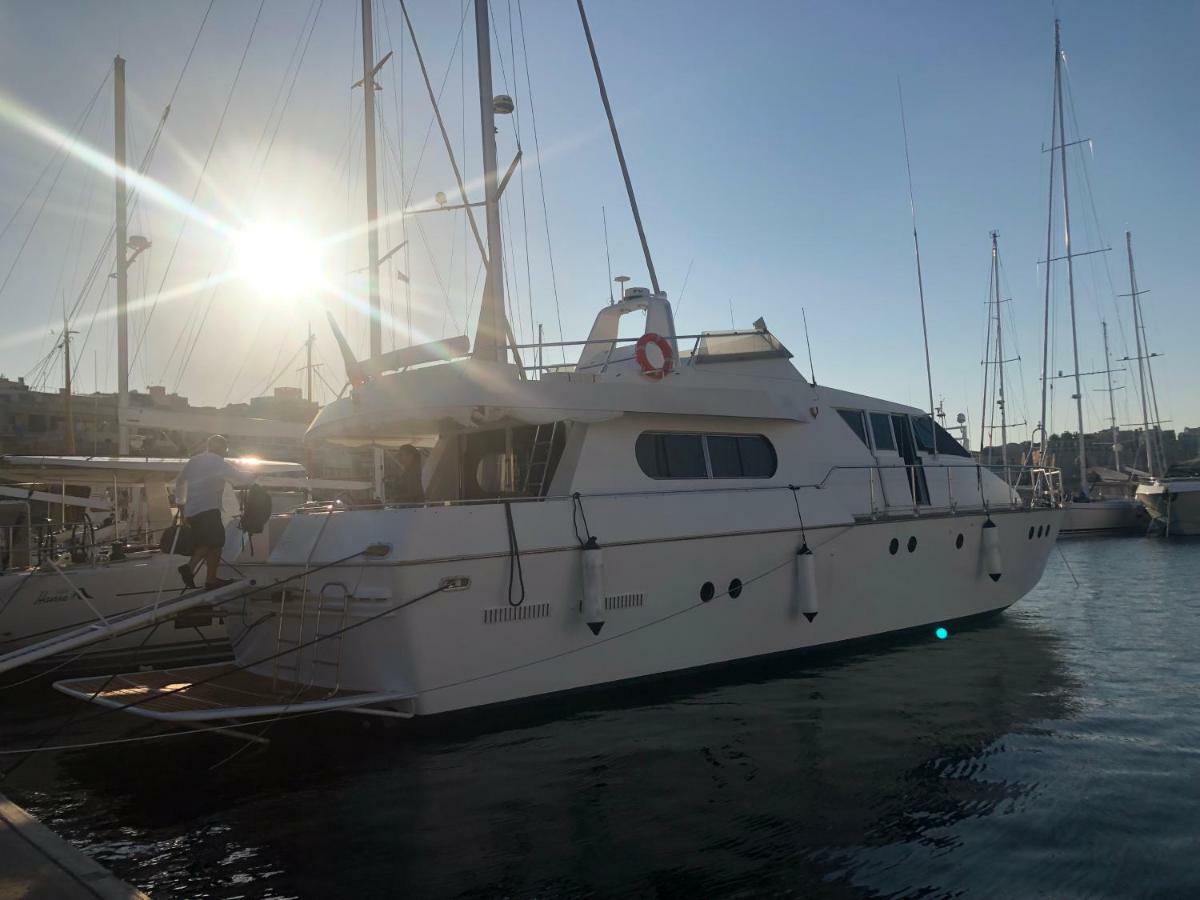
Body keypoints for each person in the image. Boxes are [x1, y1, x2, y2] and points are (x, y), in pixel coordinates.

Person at [173, 435, 252, 590]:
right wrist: (254, 478)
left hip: (192, 511)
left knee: (215, 545)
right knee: (212, 542)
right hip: (208, 509)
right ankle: (189, 567)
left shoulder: (194, 461)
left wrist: (181, 503)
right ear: (222, 448)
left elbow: (179, 481)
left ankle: (211, 580)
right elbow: (239, 478)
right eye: (225, 449)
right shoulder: (219, 463)